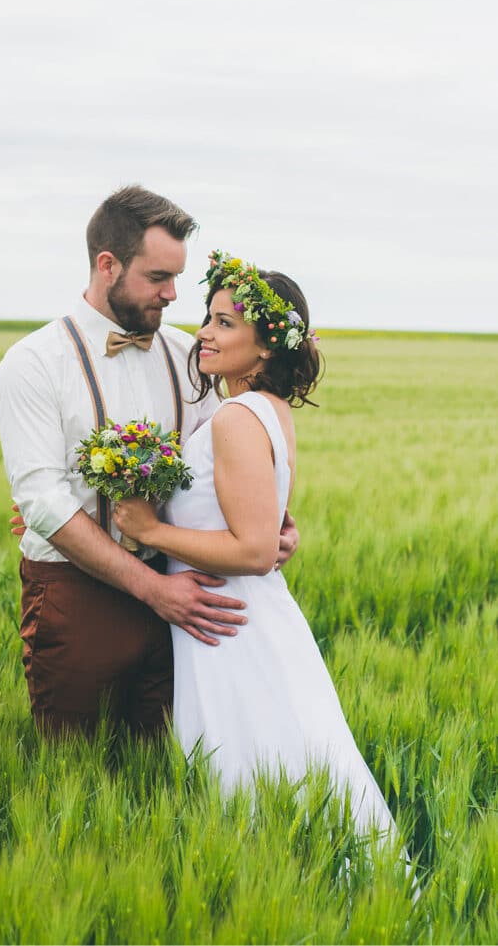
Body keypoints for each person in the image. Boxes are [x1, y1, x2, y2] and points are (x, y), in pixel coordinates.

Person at [0, 187, 300, 738]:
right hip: (76, 594)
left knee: (170, 763)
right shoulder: (33, 364)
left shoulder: (190, 354)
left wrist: (276, 524)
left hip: (188, 596)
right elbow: (44, 504)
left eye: (177, 278)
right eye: (158, 277)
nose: (173, 294)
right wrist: (151, 589)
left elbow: (230, 466)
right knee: (74, 767)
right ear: (107, 266)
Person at [112, 252, 400, 838]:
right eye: (207, 318)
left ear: (267, 345)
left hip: (228, 623)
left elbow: (254, 550)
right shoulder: (268, 409)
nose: (204, 334)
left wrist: (148, 531)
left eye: (225, 324)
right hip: (246, 616)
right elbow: (268, 528)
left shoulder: (235, 417)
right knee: (290, 765)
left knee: (252, 773)